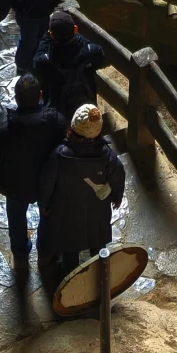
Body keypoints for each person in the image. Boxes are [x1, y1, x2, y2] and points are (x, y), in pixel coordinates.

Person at [0, 73, 67, 269]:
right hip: (47, 184)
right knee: (48, 215)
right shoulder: (58, 122)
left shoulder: (5, 130)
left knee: (16, 216)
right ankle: (45, 254)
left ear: (16, 97)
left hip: (15, 186)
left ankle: (20, 255)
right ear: (40, 95)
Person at [37, 104, 125, 286]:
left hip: (67, 213)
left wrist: (44, 205)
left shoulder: (60, 156)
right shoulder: (107, 157)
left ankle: (71, 283)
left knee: (70, 249)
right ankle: (101, 276)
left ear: (74, 126)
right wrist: (117, 196)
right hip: (97, 212)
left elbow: (47, 183)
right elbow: (118, 176)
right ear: (98, 129)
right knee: (98, 242)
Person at [33, 8, 106, 123]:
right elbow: (100, 59)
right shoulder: (92, 50)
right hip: (86, 103)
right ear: (75, 29)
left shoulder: (45, 61)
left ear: (51, 35)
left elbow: (36, 64)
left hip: (58, 111)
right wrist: (77, 37)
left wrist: (46, 37)